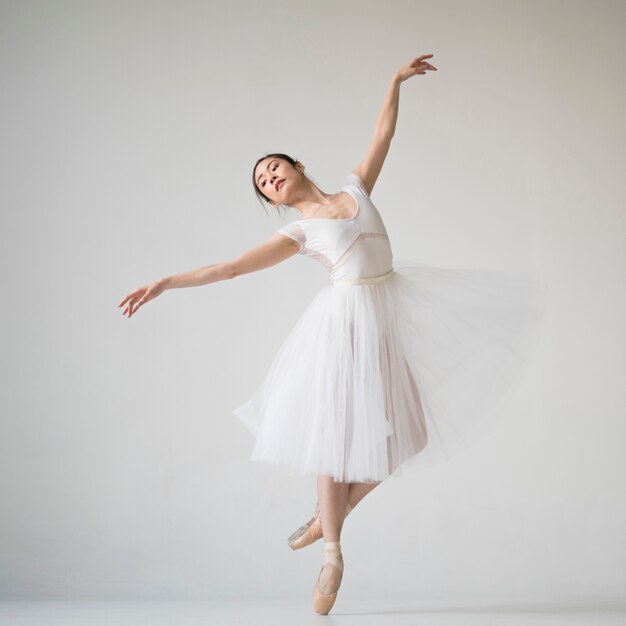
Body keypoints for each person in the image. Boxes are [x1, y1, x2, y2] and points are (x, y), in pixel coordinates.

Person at [118, 54, 548, 615]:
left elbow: (383, 133)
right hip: (343, 326)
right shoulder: (300, 233)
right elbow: (228, 268)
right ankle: (333, 553)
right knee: (334, 438)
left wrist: (394, 81)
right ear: (273, 201)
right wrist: (166, 282)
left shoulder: (355, 190)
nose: (271, 180)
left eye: (274, 169)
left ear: (297, 164)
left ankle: (328, 513)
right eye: (264, 184)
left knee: (408, 436)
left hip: (386, 316)